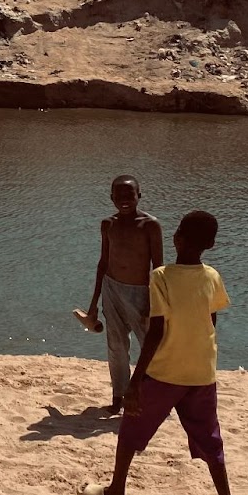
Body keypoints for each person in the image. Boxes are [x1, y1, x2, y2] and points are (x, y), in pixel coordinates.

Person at [79, 210, 248, 495]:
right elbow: (210, 322)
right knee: (212, 443)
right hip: (203, 373)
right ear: (212, 245)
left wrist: (135, 381)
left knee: (130, 429)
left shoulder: (161, 277)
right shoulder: (212, 276)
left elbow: (156, 332)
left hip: (165, 373)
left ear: (177, 239)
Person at [81, 176, 163, 413]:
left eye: (130, 195)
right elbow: (103, 262)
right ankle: (119, 397)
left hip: (142, 292)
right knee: (116, 346)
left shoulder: (150, 225)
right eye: (119, 196)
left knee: (150, 347)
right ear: (111, 198)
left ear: (140, 195)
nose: (124, 201)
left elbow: (158, 267)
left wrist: (154, 300)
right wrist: (94, 302)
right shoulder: (108, 224)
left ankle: (150, 396)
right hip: (112, 288)